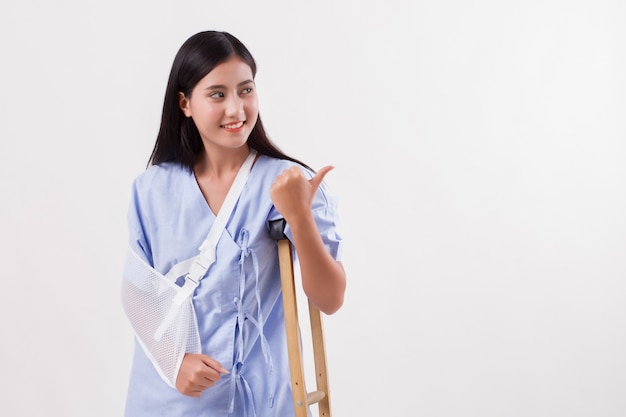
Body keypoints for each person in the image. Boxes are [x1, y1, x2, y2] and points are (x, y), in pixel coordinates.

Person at [121, 30, 346, 417]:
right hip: (165, 398)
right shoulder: (151, 189)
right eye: (217, 94)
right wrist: (175, 363)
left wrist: (300, 217)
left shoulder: (289, 183)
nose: (236, 109)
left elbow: (330, 299)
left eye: (245, 90)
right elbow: (138, 295)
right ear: (185, 103)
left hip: (256, 401)